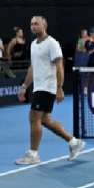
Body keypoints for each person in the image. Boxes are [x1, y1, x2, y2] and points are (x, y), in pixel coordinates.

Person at [14, 16, 85, 165]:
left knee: (34, 118)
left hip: (47, 87)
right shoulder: (33, 44)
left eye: (36, 24)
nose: (33, 26)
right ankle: (74, 142)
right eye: (31, 24)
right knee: (45, 120)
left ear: (44, 25)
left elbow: (60, 66)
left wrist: (59, 88)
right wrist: (24, 87)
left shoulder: (52, 43)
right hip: (38, 87)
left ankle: (33, 154)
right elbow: (32, 68)